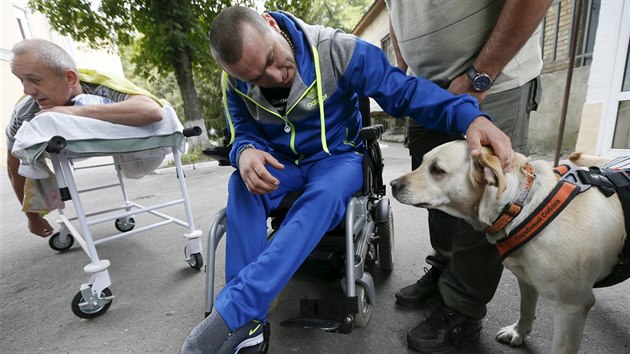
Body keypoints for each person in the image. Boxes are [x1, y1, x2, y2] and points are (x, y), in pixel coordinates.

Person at [182, 5, 515, 353]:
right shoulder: (233, 79)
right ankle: (249, 324)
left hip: (336, 158)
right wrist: (245, 151)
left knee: (325, 193)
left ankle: (235, 310)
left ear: (271, 24)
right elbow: (241, 131)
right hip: (282, 163)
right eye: (255, 79)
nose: (272, 77)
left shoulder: (337, 50)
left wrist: (467, 117)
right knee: (241, 183)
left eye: (271, 59)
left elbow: (404, 92)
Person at [385, 0, 552, 352]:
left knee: (487, 201)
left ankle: (462, 307)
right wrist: (402, 75)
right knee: (436, 190)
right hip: (425, 91)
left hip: (493, 79)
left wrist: (481, 74)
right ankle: (445, 271)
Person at [6, 39, 164, 238]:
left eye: (35, 80)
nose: (27, 90)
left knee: (134, 169)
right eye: (21, 80)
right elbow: (14, 167)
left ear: (70, 78)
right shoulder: (23, 113)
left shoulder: (102, 87)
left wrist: (69, 112)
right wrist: (33, 217)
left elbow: (151, 111)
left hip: (123, 149)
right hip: (55, 150)